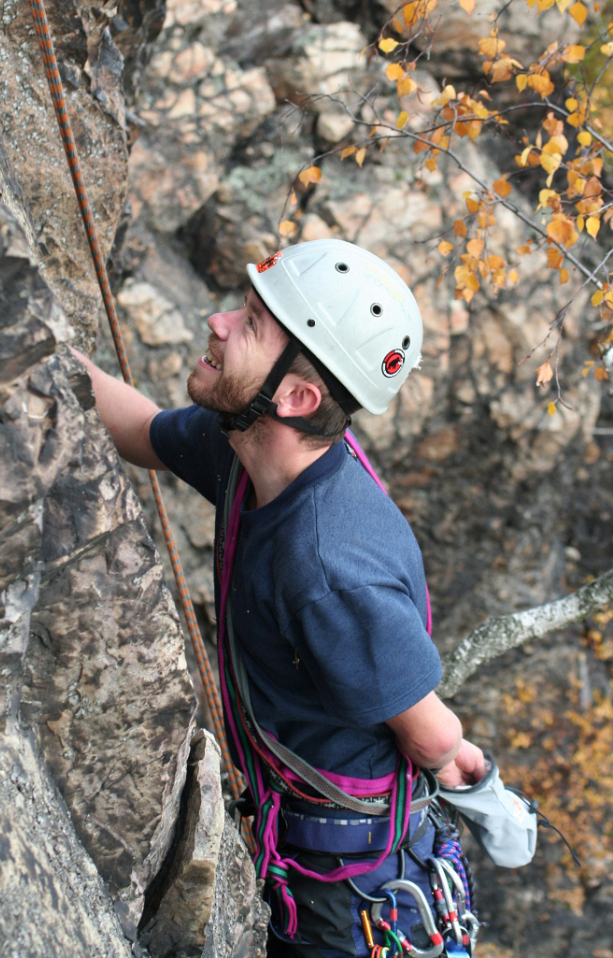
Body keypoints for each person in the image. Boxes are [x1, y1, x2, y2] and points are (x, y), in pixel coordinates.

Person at [73, 239, 486, 958]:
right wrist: (35, 344)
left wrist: (459, 763)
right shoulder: (248, 450)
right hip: (315, 853)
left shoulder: (326, 565)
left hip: (344, 895)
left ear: (297, 398)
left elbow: (432, 734)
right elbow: (141, 430)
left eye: (252, 324)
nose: (218, 320)